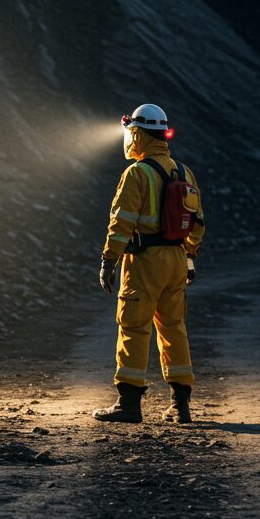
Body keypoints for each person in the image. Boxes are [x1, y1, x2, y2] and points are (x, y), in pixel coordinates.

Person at [94, 104, 205, 424]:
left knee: (133, 327)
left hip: (144, 261)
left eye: (131, 133)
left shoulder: (136, 173)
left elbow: (121, 223)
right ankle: (180, 406)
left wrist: (108, 260)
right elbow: (197, 223)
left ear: (139, 134)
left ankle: (129, 404)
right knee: (174, 329)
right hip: (175, 260)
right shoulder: (183, 172)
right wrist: (189, 258)